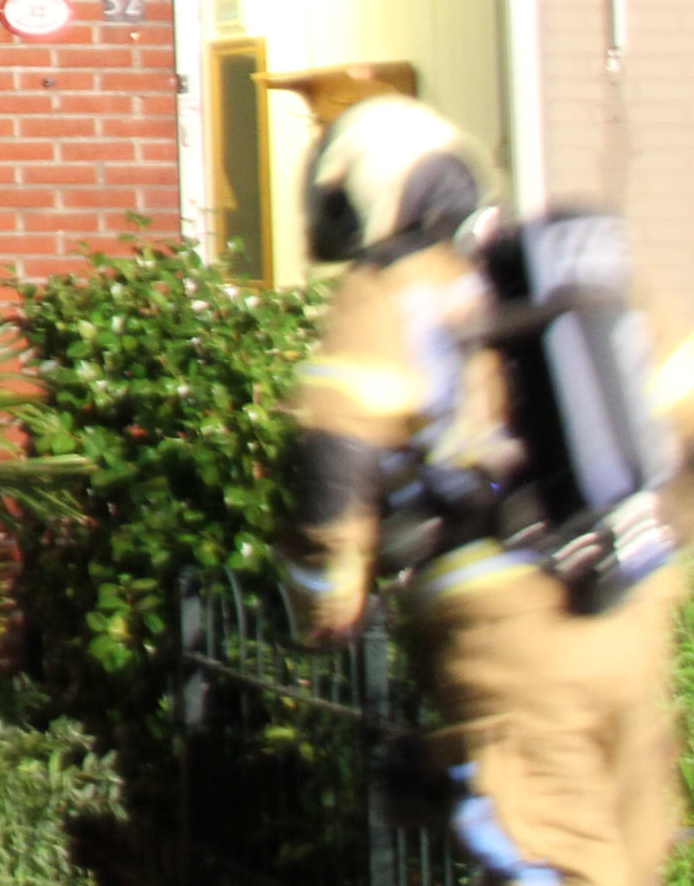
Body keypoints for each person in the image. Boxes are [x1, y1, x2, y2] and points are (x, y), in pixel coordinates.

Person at [278, 89, 691, 886]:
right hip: (635, 613)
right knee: (632, 859)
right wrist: (652, 546)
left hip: (506, 627)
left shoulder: (390, 292)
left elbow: (331, 457)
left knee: (551, 855)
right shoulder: (594, 275)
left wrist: (322, 597)